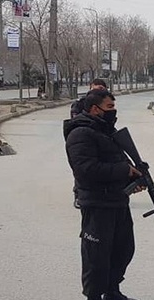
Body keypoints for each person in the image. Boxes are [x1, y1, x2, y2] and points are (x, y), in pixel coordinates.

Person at [63, 89, 145, 300]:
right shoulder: (80, 133)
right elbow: (86, 169)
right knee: (96, 257)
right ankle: (93, 296)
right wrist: (123, 171)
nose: (113, 111)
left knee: (123, 250)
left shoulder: (106, 131)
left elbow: (115, 162)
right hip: (98, 204)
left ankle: (112, 291)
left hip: (117, 201)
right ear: (94, 109)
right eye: (109, 107)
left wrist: (132, 178)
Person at [70, 78, 109, 209]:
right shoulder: (80, 104)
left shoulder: (105, 103)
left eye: (101, 89)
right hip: (83, 139)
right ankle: (79, 195)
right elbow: (74, 122)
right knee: (82, 169)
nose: (98, 91)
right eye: (95, 88)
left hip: (100, 138)